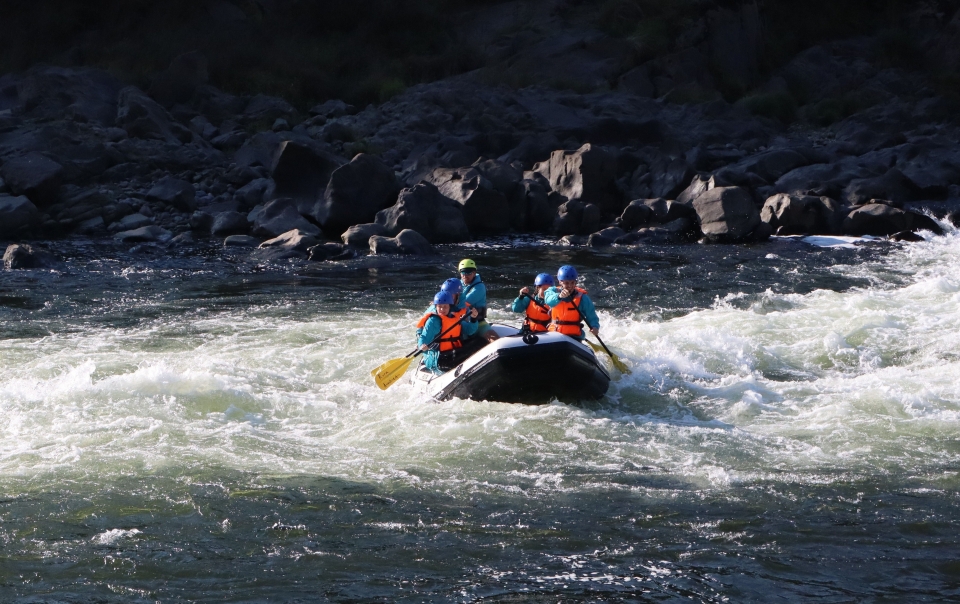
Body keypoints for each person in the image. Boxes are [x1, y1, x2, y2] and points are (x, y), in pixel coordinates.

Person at [416, 291, 479, 373]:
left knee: (480, 342)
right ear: (436, 306)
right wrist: (421, 345)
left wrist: (473, 318)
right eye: (440, 306)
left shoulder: (455, 317)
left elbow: (470, 331)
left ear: (450, 306)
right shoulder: (434, 321)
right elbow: (424, 337)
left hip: (454, 352)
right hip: (439, 357)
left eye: (445, 306)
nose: (442, 309)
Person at [544, 265, 600, 340]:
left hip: (574, 336)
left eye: (572, 282)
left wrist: (595, 326)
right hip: (554, 334)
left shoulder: (583, 298)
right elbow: (548, 301)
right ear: (560, 282)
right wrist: (559, 296)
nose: (570, 286)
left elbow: (591, 316)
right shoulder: (552, 291)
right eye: (567, 283)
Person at [458, 258, 497, 341]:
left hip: (479, 322)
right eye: (463, 272)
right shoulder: (458, 285)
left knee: (494, 339)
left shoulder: (480, 287)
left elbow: (463, 302)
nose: (465, 275)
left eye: (468, 272)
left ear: (474, 273)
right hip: (463, 323)